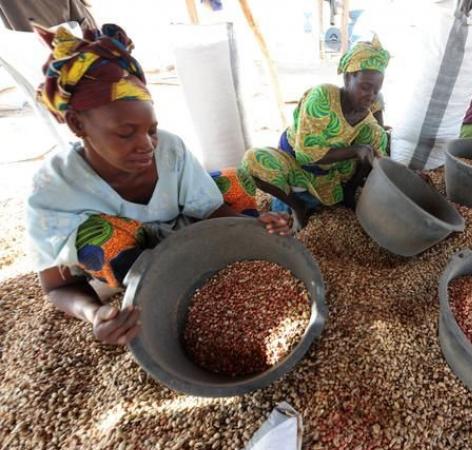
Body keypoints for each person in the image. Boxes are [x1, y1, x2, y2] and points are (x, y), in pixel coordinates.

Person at [26, 24, 291, 346]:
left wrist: (253, 224)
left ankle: (223, 258)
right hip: (128, 262)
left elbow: (210, 208)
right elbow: (57, 287)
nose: (147, 145)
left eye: (151, 129)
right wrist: (95, 313)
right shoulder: (54, 188)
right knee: (97, 238)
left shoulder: (169, 148)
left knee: (234, 180)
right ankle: (167, 285)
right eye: (126, 133)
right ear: (77, 124)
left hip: (181, 234)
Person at [238, 36, 390, 227]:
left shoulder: (373, 104)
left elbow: (379, 145)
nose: (371, 95)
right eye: (365, 87)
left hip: (330, 172)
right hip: (295, 162)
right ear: (347, 77)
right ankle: (297, 206)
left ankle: (347, 192)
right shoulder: (322, 98)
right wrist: (356, 150)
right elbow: (306, 155)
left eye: (377, 89)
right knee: (253, 161)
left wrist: (377, 163)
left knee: (376, 136)